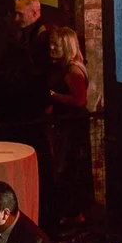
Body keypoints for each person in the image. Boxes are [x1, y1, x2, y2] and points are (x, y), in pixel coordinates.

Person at [47, 24, 93, 226]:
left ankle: (75, 213)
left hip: (72, 126)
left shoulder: (73, 70)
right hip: (67, 124)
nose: (52, 49)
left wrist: (54, 96)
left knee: (70, 167)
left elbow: (80, 101)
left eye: (56, 46)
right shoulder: (67, 68)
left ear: (66, 46)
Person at [0, 0, 54, 125]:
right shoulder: (26, 33)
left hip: (35, 103)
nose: (16, 19)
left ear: (34, 13)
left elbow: (39, 70)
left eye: (20, 14)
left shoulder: (44, 35)